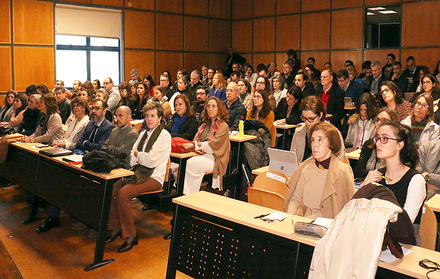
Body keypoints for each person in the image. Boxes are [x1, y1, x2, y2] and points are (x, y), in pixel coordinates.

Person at [284, 122, 355, 218]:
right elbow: (295, 199)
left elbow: (349, 206)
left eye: (320, 140)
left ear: (331, 143)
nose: (315, 145)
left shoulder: (343, 171)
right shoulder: (306, 168)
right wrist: (290, 217)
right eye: (313, 140)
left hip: (329, 226)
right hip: (304, 223)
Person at [361, 121, 426, 225]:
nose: (377, 143)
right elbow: (359, 213)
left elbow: (405, 225)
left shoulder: (415, 180)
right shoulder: (376, 175)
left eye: (385, 139)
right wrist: (364, 187)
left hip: (401, 240)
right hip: (374, 236)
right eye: (377, 138)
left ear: (399, 145)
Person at [181, 97, 230, 195]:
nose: (210, 109)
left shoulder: (223, 126)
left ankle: (189, 196)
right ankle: (182, 193)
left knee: (191, 163)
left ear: (219, 109)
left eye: (213, 106)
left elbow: (214, 145)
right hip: (201, 154)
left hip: (215, 158)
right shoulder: (204, 125)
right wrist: (195, 146)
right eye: (208, 106)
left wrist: (197, 145)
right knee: (178, 164)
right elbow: (195, 140)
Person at [290, 96, 345, 162]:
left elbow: (339, 161)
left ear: (320, 115)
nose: (307, 123)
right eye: (304, 118)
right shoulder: (299, 131)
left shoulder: (333, 133)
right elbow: (292, 159)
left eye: (311, 119)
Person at [354, 108, 399, 179]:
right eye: (377, 120)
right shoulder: (369, 144)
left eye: (384, 120)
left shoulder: (396, 145)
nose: (379, 123)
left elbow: (394, 174)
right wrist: (372, 175)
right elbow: (358, 172)